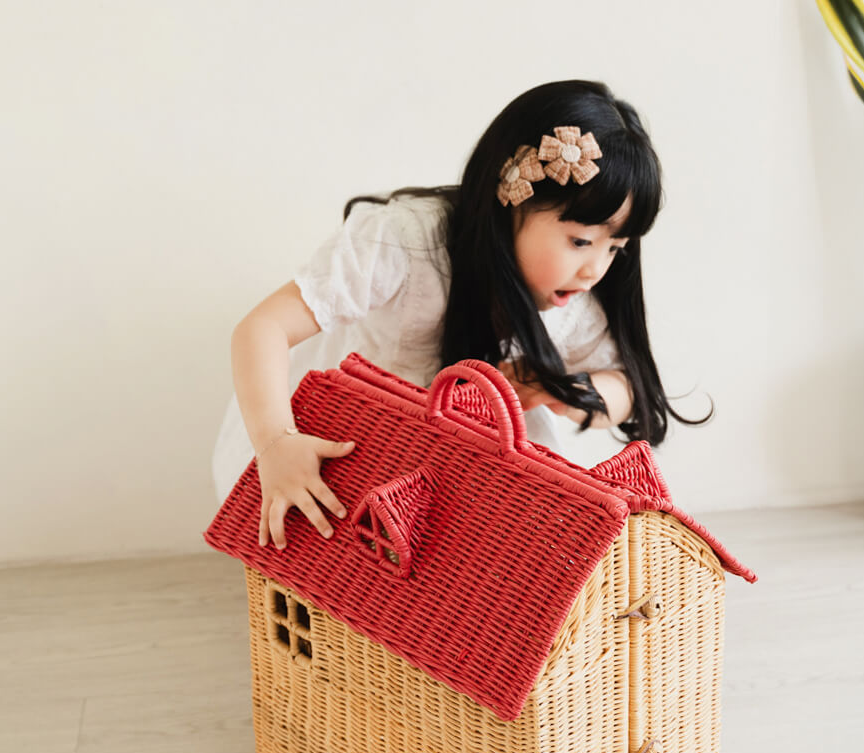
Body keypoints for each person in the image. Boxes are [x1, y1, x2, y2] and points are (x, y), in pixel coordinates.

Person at [212, 79, 707, 550]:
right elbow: (263, 328)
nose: (594, 269)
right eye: (580, 241)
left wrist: (579, 397)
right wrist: (277, 443)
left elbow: (626, 382)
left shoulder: (578, 299)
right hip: (346, 440)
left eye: (615, 248)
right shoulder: (404, 244)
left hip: (459, 459)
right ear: (512, 197)